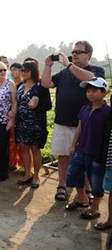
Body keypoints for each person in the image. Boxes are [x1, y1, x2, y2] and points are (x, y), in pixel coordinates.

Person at [41, 40, 105, 201]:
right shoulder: (64, 73)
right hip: (63, 121)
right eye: (73, 52)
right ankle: (62, 185)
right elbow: (46, 83)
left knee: (87, 158)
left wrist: (68, 65)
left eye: (78, 52)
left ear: (89, 55)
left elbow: (92, 79)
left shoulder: (95, 69)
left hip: (86, 125)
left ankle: (86, 189)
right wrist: (48, 66)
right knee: (63, 156)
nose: (74, 54)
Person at [65, 77, 110, 221]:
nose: (90, 94)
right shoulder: (84, 108)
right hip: (81, 149)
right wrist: (73, 145)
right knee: (73, 174)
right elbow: (80, 127)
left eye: (94, 90)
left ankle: (95, 208)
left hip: (97, 153)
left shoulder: (108, 112)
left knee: (96, 181)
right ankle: (82, 199)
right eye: (88, 91)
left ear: (104, 92)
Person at [15, 61, 51, 188]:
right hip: (21, 123)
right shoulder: (20, 85)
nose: (23, 72)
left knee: (35, 149)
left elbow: (48, 105)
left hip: (36, 123)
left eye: (26, 70)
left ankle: (36, 176)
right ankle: (27, 173)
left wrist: (37, 102)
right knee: (23, 147)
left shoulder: (41, 86)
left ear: (33, 71)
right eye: (22, 70)